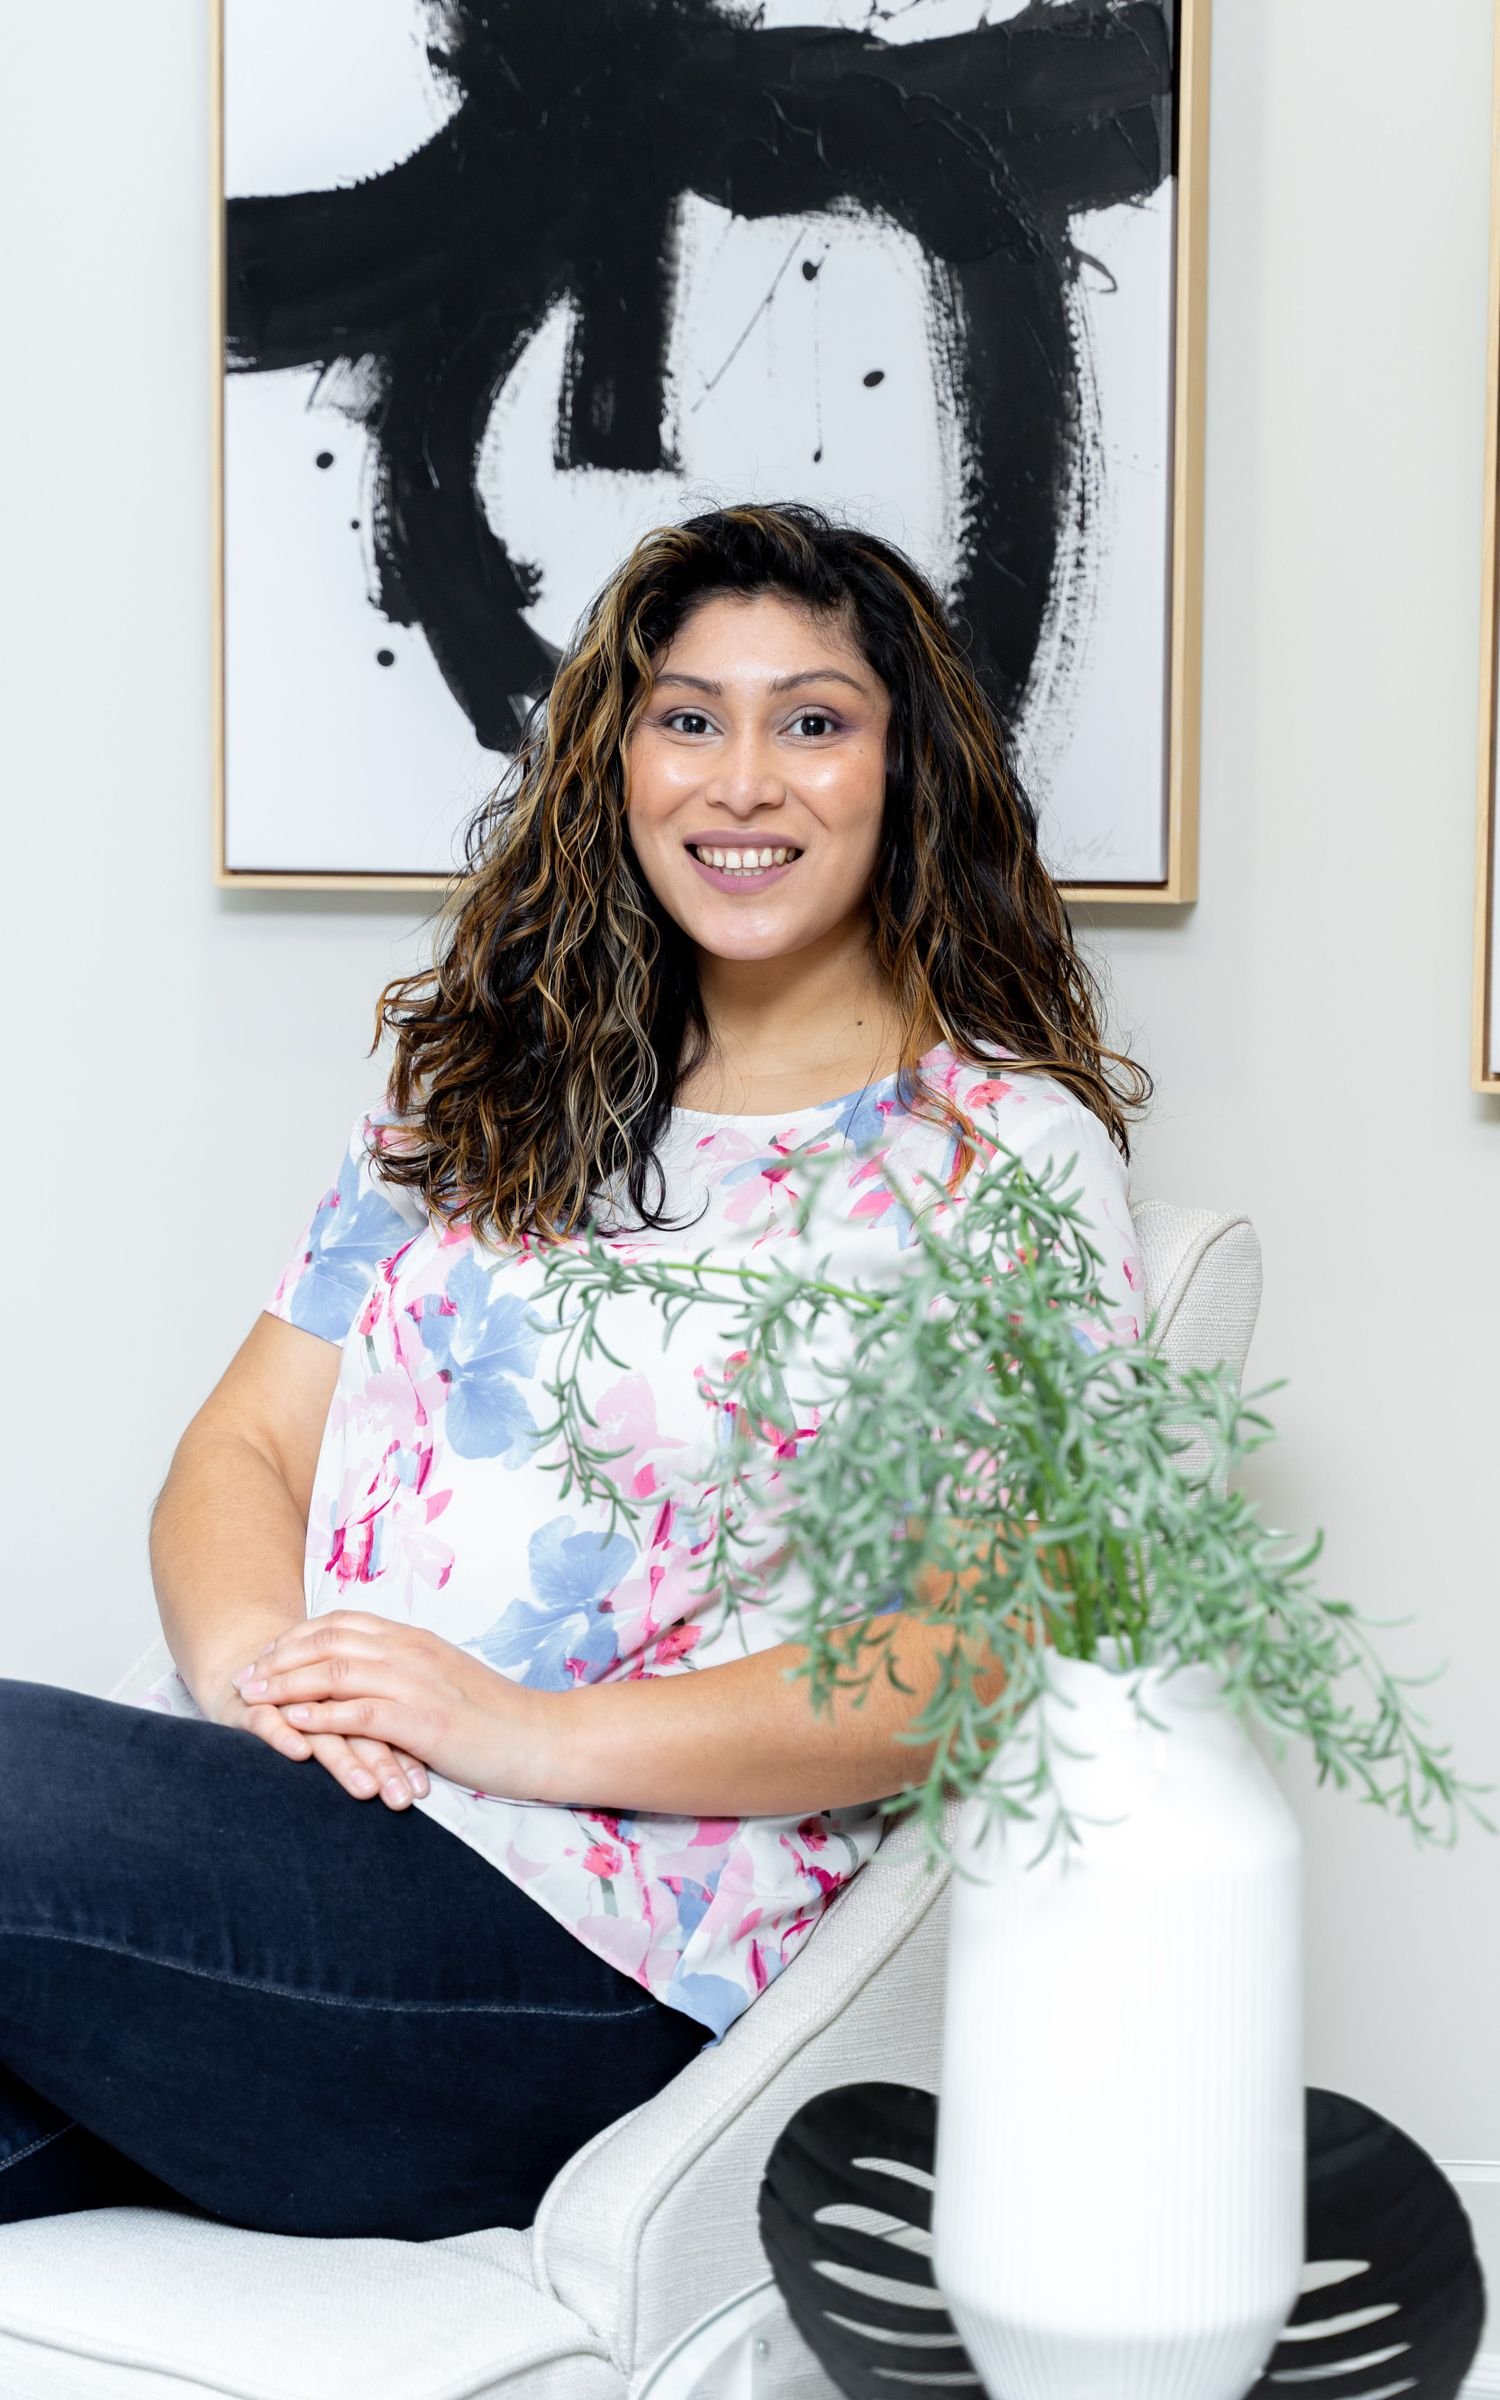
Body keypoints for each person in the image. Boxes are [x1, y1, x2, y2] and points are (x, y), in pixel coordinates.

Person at [0, 502, 1147, 2242]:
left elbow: (966, 1663)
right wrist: (255, 1675)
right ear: (617, 766)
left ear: (909, 777)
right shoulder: (474, 1102)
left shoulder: (1003, 1160)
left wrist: (518, 1733)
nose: (742, 779)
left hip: (587, 1958)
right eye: (689, 719)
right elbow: (243, 1446)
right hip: (285, 1847)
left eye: (814, 722)